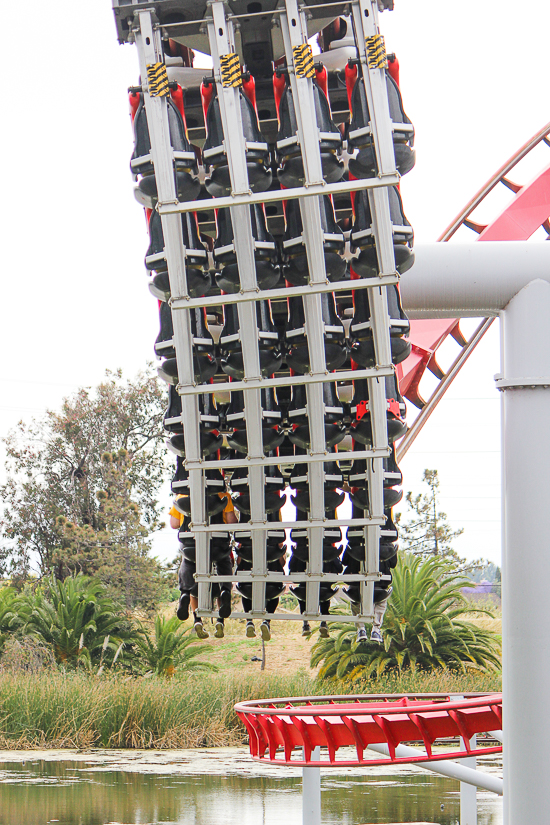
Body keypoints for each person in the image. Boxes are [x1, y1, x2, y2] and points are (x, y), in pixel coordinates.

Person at [170, 492, 237, 639]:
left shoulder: (181, 497)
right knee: (224, 562)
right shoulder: (223, 496)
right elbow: (232, 522)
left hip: (192, 545)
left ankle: (186, 597)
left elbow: (174, 524)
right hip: (218, 545)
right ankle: (224, 594)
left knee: (188, 563)